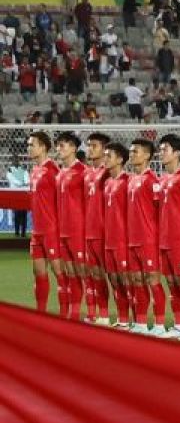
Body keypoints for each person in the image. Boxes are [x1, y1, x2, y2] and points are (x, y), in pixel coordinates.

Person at [125, 138, 166, 334]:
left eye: (136, 151)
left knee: (153, 280)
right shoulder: (131, 180)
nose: (132, 154)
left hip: (149, 239)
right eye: (131, 151)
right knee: (137, 281)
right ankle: (141, 323)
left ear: (148, 155)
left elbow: (159, 211)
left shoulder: (152, 180)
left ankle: (158, 324)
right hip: (132, 239)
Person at [156, 134, 180, 338]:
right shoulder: (162, 180)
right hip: (164, 240)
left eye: (165, 149)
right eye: (160, 149)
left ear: (177, 154)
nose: (161, 153)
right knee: (171, 283)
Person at [27, 131, 62, 314]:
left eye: (32, 144)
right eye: (29, 144)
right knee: (38, 273)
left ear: (43, 147)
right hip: (37, 231)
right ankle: (41, 313)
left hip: (51, 230)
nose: (29, 148)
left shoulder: (52, 170)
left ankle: (67, 313)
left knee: (60, 274)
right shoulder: (34, 171)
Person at [55, 132, 87, 321]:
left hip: (78, 230)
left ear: (74, 148)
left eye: (64, 145)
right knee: (68, 272)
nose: (60, 149)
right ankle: (70, 313)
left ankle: (86, 313)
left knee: (82, 272)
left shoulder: (82, 172)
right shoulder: (60, 173)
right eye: (58, 145)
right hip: (63, 231)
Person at [101, 142, 131, 328]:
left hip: (123, 240)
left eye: (109, 156)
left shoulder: (127, 181)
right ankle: (123, 318)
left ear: (120, 159)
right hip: (109, 239)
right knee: (113, 280)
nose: (105, 159)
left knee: (127, 280)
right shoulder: (107, 182)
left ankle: (137, 320)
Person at [82, 132, 111, 324]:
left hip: (103, 231)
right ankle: (93, 313)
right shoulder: (86, 173)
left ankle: (106, 314)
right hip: (87, 231)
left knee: (107, 274)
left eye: (94, 145)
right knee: (90, 273)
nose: (90, 149)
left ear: (104, 149)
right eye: (89, 145)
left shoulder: (108, 172)